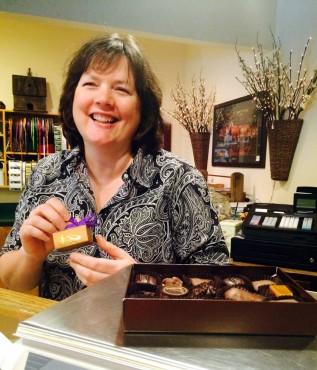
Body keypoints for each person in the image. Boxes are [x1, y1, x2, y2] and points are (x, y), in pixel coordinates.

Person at [0, 33, 229, 301]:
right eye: (90, 84)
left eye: (121, 89)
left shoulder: (179, 179)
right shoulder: (46, 174)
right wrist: (31, 255)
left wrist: (143, 283)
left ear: (142, 108)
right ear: (72, 97)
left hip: (142, 339)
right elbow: (10, 280)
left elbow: (219, 285)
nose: (104, 99)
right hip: (58, 339)